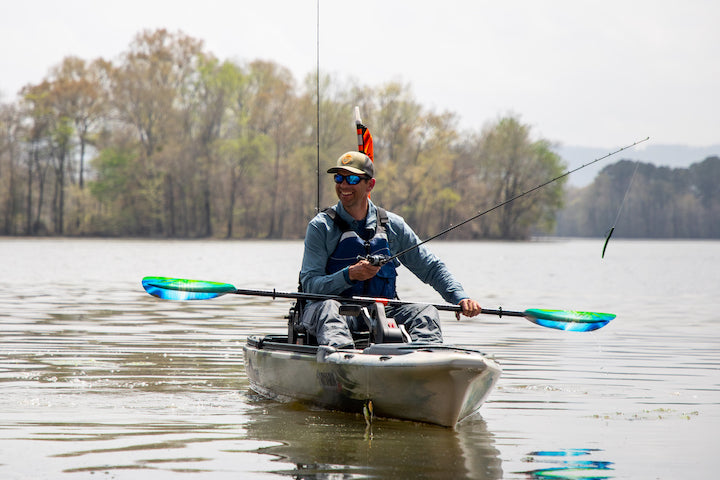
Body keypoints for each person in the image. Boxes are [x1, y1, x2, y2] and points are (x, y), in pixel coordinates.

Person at [299, 151, 482, 348]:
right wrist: (349, 275)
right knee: (329, 308)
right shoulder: (321, 226)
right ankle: (343, 361)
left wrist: (460, 297)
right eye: (339, 178)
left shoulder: (393, 225)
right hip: (334, 313)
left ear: (370, 185)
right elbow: (309, 285)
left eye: (352, 178)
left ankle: (426, 360)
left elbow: (431, 267)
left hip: (381, 313)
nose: (343, 185)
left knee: (425, 311)